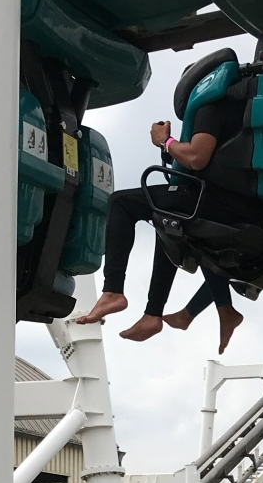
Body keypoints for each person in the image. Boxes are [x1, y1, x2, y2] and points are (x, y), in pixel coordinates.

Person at [81, 114, 244, 354]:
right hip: (236, 200)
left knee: (121, 202)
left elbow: (196, 157)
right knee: (167, 219)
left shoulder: (212, 105)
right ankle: (157, 314)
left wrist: (165, 141)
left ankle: (113, 290)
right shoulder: (243, 111)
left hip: (212, 198)